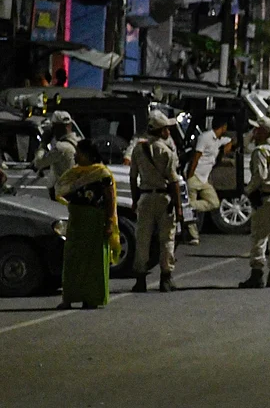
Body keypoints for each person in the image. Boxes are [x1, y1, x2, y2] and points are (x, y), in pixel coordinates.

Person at [53, 139, 119, 309]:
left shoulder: (101, 173)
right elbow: (60, 190)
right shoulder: (74, 173)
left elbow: (110, 198)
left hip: (95, 220)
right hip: (77, 219)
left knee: (93, 262)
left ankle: (90, 298)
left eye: (79, 153)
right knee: (72, 260)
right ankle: (68, 298)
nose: (76, 156)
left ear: (88, 154)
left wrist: (110, 222)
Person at [130, 110, 184, 293]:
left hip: (145, 197)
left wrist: (134, 199)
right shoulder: (166, 151)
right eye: (167, 129)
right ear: (161, 131)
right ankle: (166, 278)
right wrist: (178, 208)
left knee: (142, 239)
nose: (169, 131)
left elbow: (133, 177)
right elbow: (173, 180)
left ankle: (140, 279)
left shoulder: (138, 149)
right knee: (166, 238)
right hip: (164, 198)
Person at [239, 119, 270, 289]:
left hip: (267, 196)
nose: (254, 133)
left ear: (263, 131)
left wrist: (248, 190)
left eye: (257, 129)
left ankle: (257, 272)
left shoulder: (261, 151)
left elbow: (260, 175)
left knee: (259, 235)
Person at [184, 115, 236, 245]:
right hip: (195, 175)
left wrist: (227, 147)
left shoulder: (217, 140)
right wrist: (190, 175)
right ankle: (193, 236)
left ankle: (188, 207)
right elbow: (196, 156)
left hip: (204, 178)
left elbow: (231, 141)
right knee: (191, 210)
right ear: (222, 126)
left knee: (214, 203)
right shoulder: (205, 137)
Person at [33, 110, 80, 181]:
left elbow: (38, 163)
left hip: (64, 188)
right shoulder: (78, 142)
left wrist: (43, 144)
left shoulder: (60, 148)